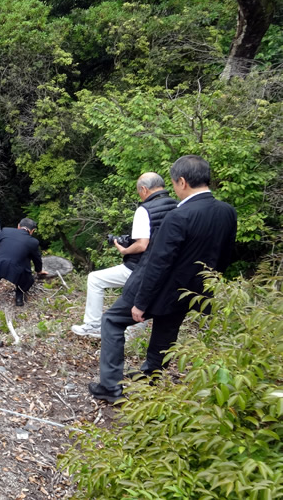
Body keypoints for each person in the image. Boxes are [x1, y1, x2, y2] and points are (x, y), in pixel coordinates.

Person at [89, 155, 237, 403]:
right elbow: (223, 255)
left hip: (160, 288)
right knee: (167, 328)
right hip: (192, 290)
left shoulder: (179, 216)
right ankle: (151, 376)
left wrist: (141, 302)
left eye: (174, 184)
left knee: (112, 321)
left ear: (181, 181)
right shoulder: (226, 212)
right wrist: (206, 291)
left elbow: (159, 262)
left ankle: (111, 387)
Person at [71, 173, 177, 338]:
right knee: (146, 295)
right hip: (167, 269)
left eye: (139, 192)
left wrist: (125, 250)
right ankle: (134, 337)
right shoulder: (177, 206)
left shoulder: (145, 210)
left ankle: (92, 324)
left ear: (143, 189)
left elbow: (142, 244)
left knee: (95, 279)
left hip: (140, 267)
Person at [0, 218, 48, 306]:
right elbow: (37, 259)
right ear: (32, 230)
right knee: (28, 280)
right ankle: (19, 299)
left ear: (18, 226)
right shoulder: (33, 242)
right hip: (17, 269)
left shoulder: (5, 231)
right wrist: (39, 271)